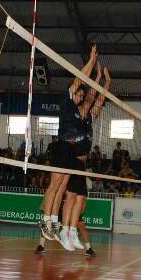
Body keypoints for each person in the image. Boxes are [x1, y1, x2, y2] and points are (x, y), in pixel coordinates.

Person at [39, 44, 98, 240]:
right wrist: (91, 61)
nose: (81, 96)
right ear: (72, 92)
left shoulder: (78, 110)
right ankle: (46, 220)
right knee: (55, 184)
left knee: (63, 186)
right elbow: (80, 78)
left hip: (71, 150)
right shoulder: (67, 101)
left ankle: (54, 221)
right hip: (62, 145)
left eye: (82, 94)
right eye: (78, 93)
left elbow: (89, 94)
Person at [59, 65, 111, 251]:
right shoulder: (79, 112)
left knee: (80, 200)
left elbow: (99, 100)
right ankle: (65, 232)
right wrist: (97, 78)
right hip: (72, 159)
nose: (87, 102)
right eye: (81, 98)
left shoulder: (89, 117)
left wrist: (108, 83)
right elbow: (91, 98)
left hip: (82, 164)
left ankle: (72, 232)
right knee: (72, 197)